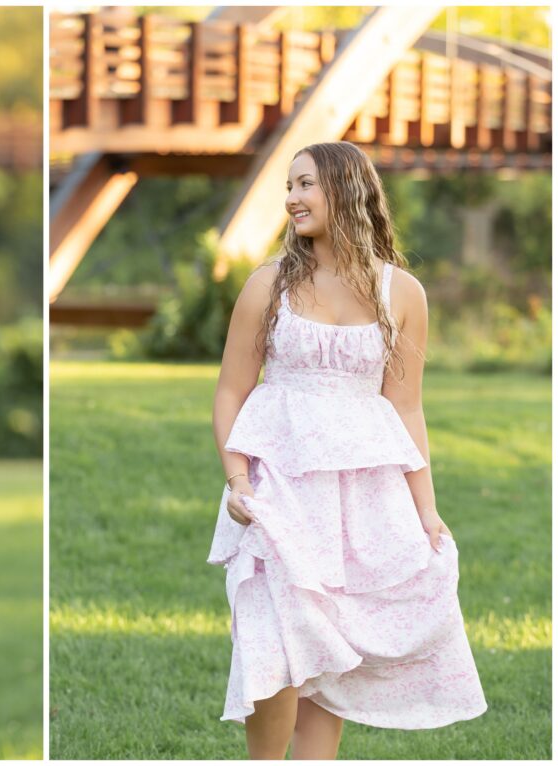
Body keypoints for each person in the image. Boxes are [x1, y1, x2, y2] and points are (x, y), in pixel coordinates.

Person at [207, 141, 487, 759]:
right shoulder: (267, 286)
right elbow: (231, 391)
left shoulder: (403, 294)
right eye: (289, 185)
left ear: (345, 188)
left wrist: (426, 510)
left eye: (305, 184)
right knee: (276, 647)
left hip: (363, 499)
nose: (291, 198)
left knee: (328, 666)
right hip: (278, 490)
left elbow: (406, 407)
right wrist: (238, 481)